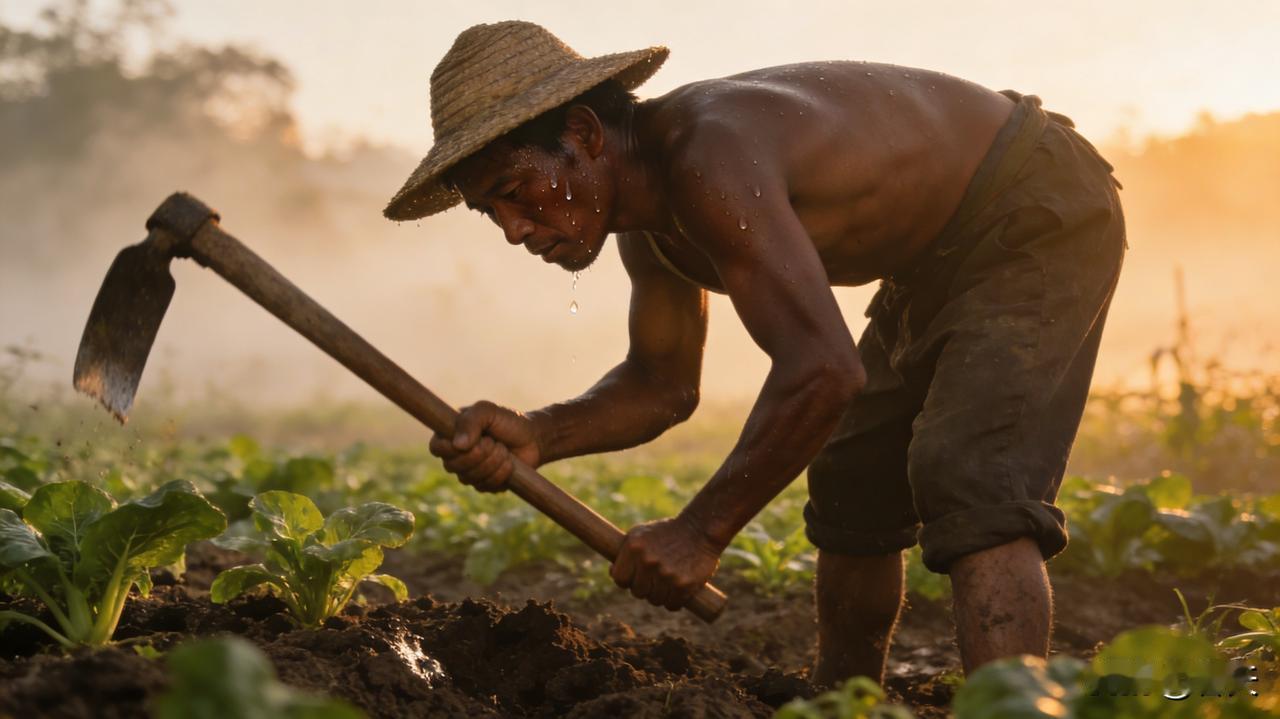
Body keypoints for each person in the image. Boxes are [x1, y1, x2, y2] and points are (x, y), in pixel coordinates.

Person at [384, 21, 1126, 684]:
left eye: (518, 189)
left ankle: (1016, 709)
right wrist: (540, 433)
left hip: (1032, 202)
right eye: (493, 211)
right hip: (935, 257)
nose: (515, 228)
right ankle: (844, 702)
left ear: (583, 133)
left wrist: (702, 529)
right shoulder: (650, 226)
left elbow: (825, 370)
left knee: (968, 470)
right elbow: (662, 384)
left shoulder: (709, 157)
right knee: (852, 477)